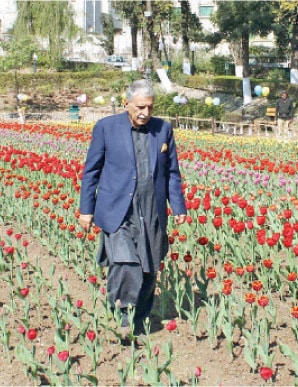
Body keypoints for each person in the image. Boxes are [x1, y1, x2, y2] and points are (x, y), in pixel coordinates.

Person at [79, 79, 187, 336]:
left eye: (150, 107)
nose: (145, 113)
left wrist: (179, 206)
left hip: (151, 209)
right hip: (118, 208)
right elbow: (91, 171)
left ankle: (140, 317)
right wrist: (86, 209)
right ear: (126, 103)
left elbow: (172, 172)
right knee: (126, 263)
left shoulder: (163, 130)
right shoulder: (106, 128)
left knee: (149, 267)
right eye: (140, 107)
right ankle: (124, 315)